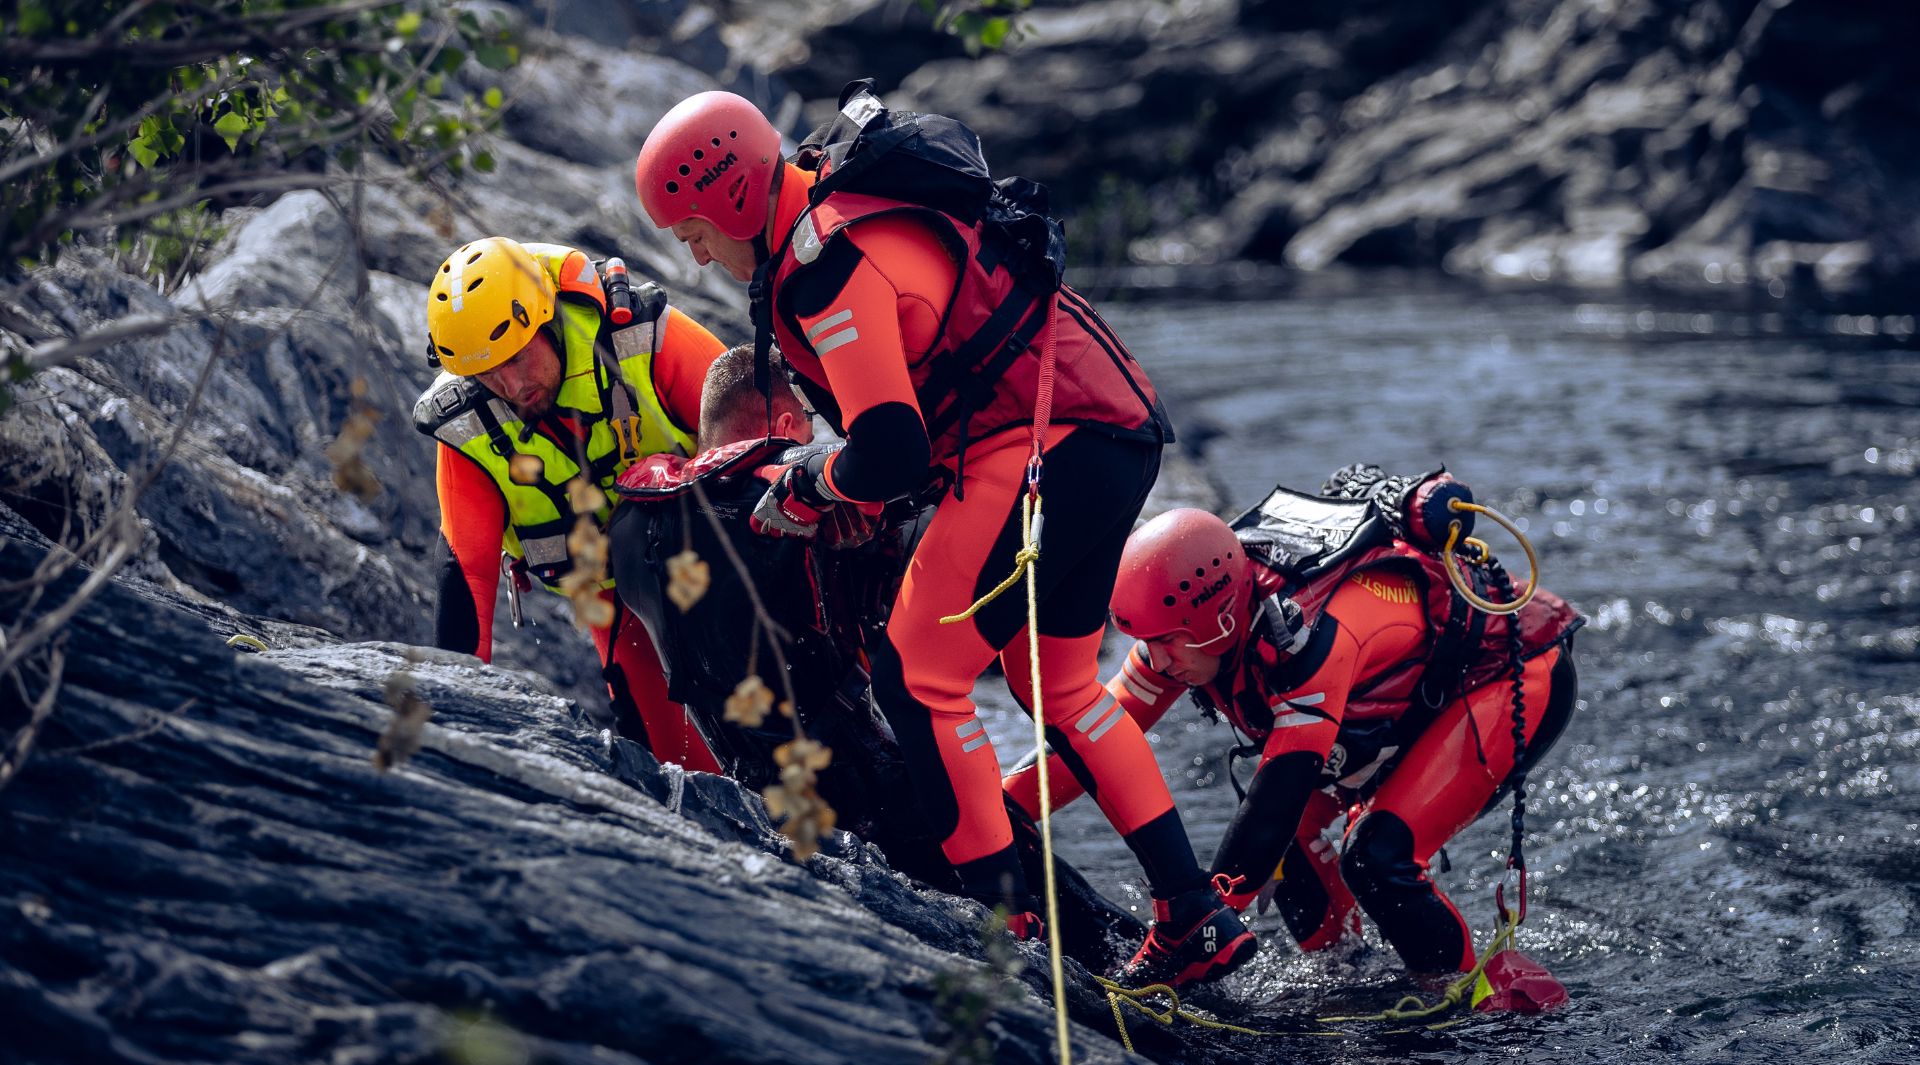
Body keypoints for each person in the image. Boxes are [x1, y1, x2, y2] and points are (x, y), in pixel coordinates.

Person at [633, 89, 1255, 986]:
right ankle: (1193, 912)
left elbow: (889, 446)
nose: (691, 249)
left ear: (727, 194)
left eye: (690, 227)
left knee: (917, 677)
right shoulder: (834, 211)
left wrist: (811, 486)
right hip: (1109, 434)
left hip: (1045, 447)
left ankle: (1012, 928)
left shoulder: (825, 267)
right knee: (1060, 682)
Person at [1006, 466, 1586, 975]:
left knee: (1377, 857)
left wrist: (1196, 925)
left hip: (1511, 675)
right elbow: (1096, 737)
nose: (1156, 661)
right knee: (1293, 843)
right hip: (1408, 699)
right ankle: (1346, 974)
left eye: (1167, 645)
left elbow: (1282, 784)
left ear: (1220, 619)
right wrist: (1000, 811)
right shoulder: (1189, 624)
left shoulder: (1312, 635)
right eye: (1146, 644)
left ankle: (1469, 999)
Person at [415, 235, 722, 773]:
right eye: (488, 373)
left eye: (517, 357)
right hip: (618, 609)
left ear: (546, 320)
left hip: (729, 561)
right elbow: (467, 576)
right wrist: (453, 734)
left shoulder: (642, 338)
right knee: (681, 766)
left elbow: (767, 437)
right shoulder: (467, 425)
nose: (510, 385)